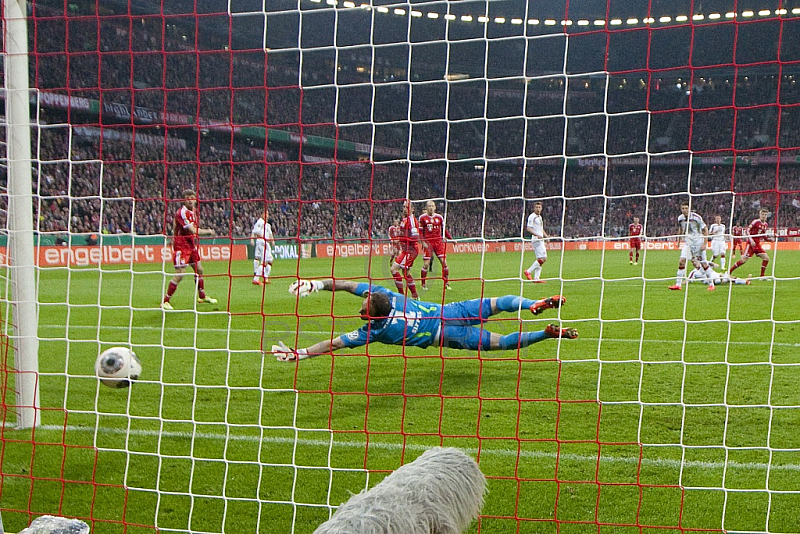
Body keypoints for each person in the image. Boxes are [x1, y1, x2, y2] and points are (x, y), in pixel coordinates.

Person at [272, 279, 576, 361]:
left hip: (446, 337)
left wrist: (299, 353)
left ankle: (547, 334)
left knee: (505, 344)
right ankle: (531, 303)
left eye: (363, 310)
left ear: (371, 316)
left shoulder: (374, 330)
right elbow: (351, 286)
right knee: (500, 303)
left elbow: (333, 343)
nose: (360, 310)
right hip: (450, 311)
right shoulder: (388, 295)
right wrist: (317, 285)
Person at [162, 189, 218, 310]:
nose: (190, 199)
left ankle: (202, 296)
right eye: (187, 197)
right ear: (184, 200)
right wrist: (208, 231)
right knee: (180, 274)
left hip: (190, 244)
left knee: (199, 269)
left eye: (192, 197)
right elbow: (193, 230)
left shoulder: (194, 211)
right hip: (181, 246)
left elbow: (177, 226)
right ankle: (165, 301)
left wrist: (174, 233)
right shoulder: (182, 212)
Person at [669, 202, 715, 291]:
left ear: (689, 209)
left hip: (698, 242)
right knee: (682, 261)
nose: (685, 210)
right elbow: (681, 229)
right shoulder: (680, 218)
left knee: (704, 263)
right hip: (688, 243)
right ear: (680, 209)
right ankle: (678, 284)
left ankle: (711, 284)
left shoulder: (697, 218)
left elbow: (705, 229)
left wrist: (705, 243)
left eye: (686, 208)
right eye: (683, 208)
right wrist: (678, 241)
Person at [419, 200, 453, 290]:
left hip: (438, 242)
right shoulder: (422, 218)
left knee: (444, 263)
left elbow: (444, 230)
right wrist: (423, 242)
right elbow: (420, 232)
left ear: (435, 207)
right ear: (426, 208)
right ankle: (423, 284)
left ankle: (446, 283)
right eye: (429, 206)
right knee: (426, 264)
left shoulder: (439, 217)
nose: (431, 208)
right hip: (428, 243)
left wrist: (451, 239)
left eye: (432, 206)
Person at [390, 200, 421, 299]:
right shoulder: (404, 219)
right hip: (405, 250)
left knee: (394, 269)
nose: (404, 209)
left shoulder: (412, 220)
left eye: (406, 207)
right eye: (403, 207)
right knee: (406, 273)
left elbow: (415, 238)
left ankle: (401, 296)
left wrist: (403, 239)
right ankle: (415, 296)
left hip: (410, 250)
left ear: (412, 209)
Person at [729, 208, 772, 278]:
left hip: (757, 245)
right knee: (743, 260)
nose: (764, 216)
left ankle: (762, 276)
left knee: (766, 258)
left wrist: (768, 239)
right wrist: (751, 240)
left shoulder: (766, 225)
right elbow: (747, 231)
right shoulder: (755, 222)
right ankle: (729, 272)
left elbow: (763, 234)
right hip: (751, 244)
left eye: (765, 215)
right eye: (762, 214)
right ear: (760, 214)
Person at [523, 201, 548, 283]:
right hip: (536, 239)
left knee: (539, 259)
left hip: (540, 239)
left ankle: (536, 278)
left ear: (541, 208)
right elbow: (529, 228)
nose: (538, 209)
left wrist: (546, 236)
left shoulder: (539, 217)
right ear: (534, 208)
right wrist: (537, 235)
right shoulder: (532, 217)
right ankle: (528, 271)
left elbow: (541, 229)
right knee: (544, 258)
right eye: (536, 207)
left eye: (539, 207)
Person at [250, 206, 275, 285]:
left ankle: (265, 277)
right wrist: (253, 239)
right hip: (262, 241)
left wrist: (272, 241)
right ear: (262, 214)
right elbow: (255, 231)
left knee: (270, 260)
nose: (267, 215)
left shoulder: (266, 224)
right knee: (264, 261)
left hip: (265, 242)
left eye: (267, 213)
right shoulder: (260, 221)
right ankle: (256, 278)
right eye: (266, 213)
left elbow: (270, 234)